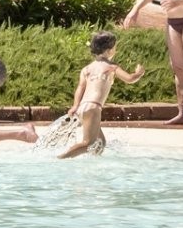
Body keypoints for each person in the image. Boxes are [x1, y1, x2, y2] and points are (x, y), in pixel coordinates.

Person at [59, 31, 142, 159]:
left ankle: (92, 163)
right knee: (88, 143)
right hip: (93, 107)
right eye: (115, 47)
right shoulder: (111, 67)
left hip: (83, 107)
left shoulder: (86, 69)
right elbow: (130, 79)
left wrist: (75, 106)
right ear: (109, 51)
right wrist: (138, 73)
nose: (116, 50)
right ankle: (60, 158)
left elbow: (80, 88)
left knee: (100, 142)